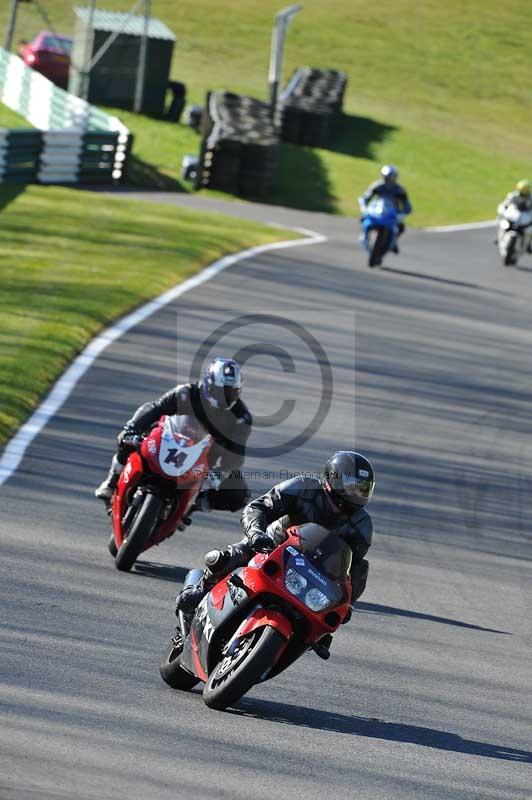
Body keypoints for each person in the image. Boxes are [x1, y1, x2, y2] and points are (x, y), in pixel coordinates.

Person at [176, 450, 375, 657]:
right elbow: (259, 507)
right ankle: (201, 588)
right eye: (352, 486)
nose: (356, 493)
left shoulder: (362, 525)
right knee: (228, 558)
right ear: (334, 477)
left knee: (322, 626)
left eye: (362, 489)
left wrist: (348, 604)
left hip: (315, 574)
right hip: (272, 545)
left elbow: (356, 567)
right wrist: (256, 533)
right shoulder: (303, 487)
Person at [95, 357, 252, 514]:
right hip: (172, 440)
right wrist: (132, 429)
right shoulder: (186, 393)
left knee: (239, 495)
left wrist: (221, 472)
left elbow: (236, 453)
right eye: (219, 391)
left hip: (206, 456)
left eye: (230, 393)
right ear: (208, 384)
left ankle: (193, 503)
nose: (223, 398)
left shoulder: (241, 418)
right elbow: (155, 408)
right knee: (127, 439)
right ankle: (112, 480)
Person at [359, 164, 412, 253]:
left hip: (392, 213)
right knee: (364, 219)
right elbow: (366, 198)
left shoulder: (399, 190)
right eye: (386, 177)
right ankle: (364, 236)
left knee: (400, 227)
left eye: (390, 177)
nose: (388, 180)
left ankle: (393, 242)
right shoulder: (377, 186)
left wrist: (403, 213)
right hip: (377, 211)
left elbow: (407, 205)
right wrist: (364, 207)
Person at [497, 180, 532, 253]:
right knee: (502, 223)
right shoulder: (513, 195)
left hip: (526, 218)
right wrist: (503, 210)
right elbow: (504, 205)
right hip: (514, 217)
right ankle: (499, 238)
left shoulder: (530, 198)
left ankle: (527, 244)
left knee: (529, 230)